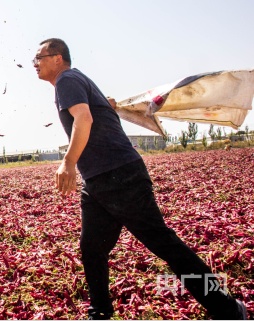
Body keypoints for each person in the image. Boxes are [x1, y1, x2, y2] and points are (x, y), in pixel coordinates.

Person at [33, 38, 247, 320]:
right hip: (99, 181)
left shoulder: (66, 80)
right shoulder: (76, 81)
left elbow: (84, 120)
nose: (35, 63)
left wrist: (68, 162)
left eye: (40, 57)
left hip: (119, 175)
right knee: (92, 248)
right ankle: (100, 312)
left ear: (58, 58)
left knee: (164, 244)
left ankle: (228, 310)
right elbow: (99, 114)